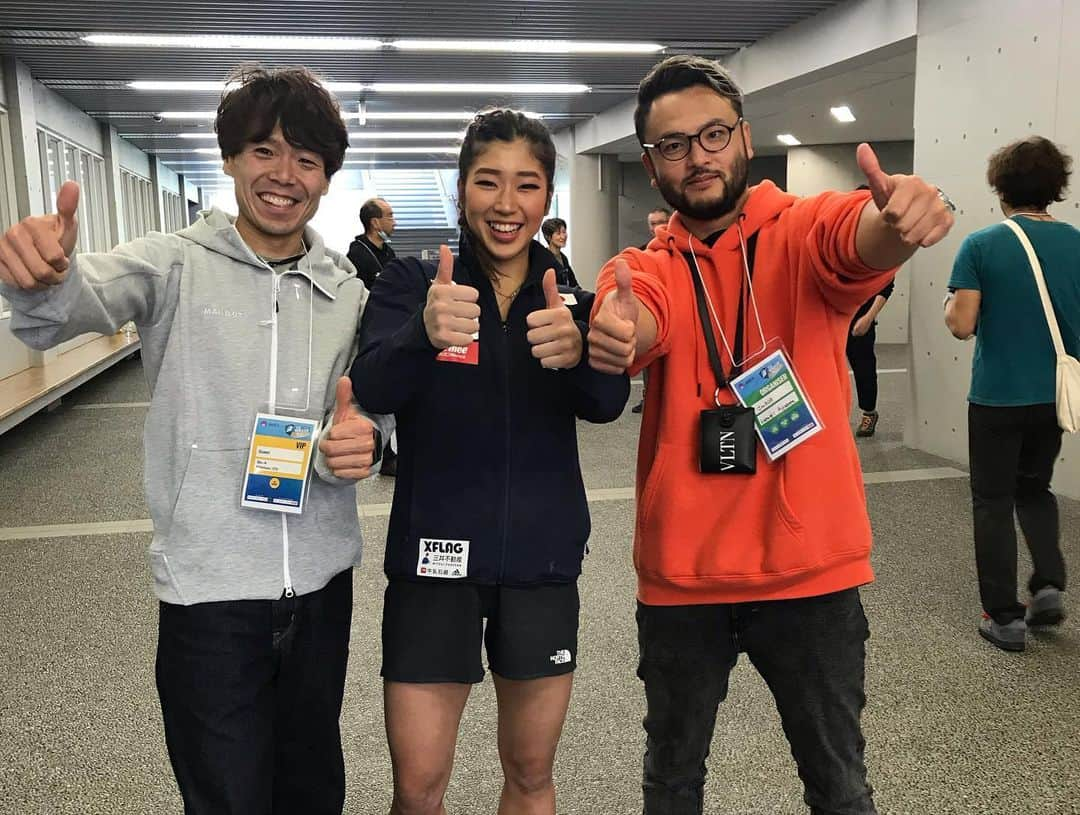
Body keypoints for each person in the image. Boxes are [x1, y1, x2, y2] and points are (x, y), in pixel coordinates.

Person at [0, 65, 391, 815]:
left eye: (306, 160)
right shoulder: (172, 262)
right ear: (231, 158)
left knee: (313, 790)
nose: (284, 175)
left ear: (327, 177)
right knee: (226, 796)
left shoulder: (347, 290)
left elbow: (370, 411)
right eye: (264, 152)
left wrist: (366, 441)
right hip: (208, 596)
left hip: (319, 590)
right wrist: (40, 279)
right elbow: (73, 303)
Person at [587, 55, 954, 814]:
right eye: (673, 145)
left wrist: (894, 225)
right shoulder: (644, 266)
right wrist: (621, 329)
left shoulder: (800, 228)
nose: (698, 156)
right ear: (650, 162)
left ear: (744, 135)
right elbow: (637, 313)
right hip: (684, 576)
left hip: (810, 573)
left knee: (840, 785)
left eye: (713, 133)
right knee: (672, 781)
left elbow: (857, 240)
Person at [350, 109, 629, 815]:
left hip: (540, 560)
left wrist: (586, 352)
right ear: (461, 187)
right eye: (487, 182)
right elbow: (374, 386)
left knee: (531, 773)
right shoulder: (415, 283)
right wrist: (421, 333)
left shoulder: (565, 299)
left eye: (527, 185)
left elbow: (604, 403)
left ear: (546, 196)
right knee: (418, 788)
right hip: (432, 564)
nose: (506, 204)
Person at [946, 135, 1079, 652]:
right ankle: (1048, 586)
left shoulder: (982, 245)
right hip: (1055, 396)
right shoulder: (1075, 242)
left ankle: (1004, 617)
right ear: (1055, 187)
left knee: (993, 501)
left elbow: (962, 325)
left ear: (1000, 186)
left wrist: (948, 307)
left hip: (998, 397)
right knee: (1035, 489)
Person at [631, 207, 672, 413]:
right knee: (650, 366)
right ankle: (649, 398)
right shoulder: (643, 254)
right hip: (654, 319)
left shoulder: (681, 249)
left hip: (678, 318)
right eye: (653, 223)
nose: (657, 227)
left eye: (661, 222)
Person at [847, 280, 894, 437]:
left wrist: (869, 317)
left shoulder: (884, 257)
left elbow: (886, 286)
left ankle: (869, 412)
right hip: (832, 314)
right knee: (826, 368)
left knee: (863, 366)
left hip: (861, 316)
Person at [348, 196, 397, 289]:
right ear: (375, 223)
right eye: (390, 216)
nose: (394, 223)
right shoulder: (357, 255)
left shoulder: (389, 252)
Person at [540, 216, 579, 287]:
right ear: (548, 237)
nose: (563, 236)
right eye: (558, 233)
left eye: (564, 232)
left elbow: (573, 283)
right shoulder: (544, 259)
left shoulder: (563, 258)